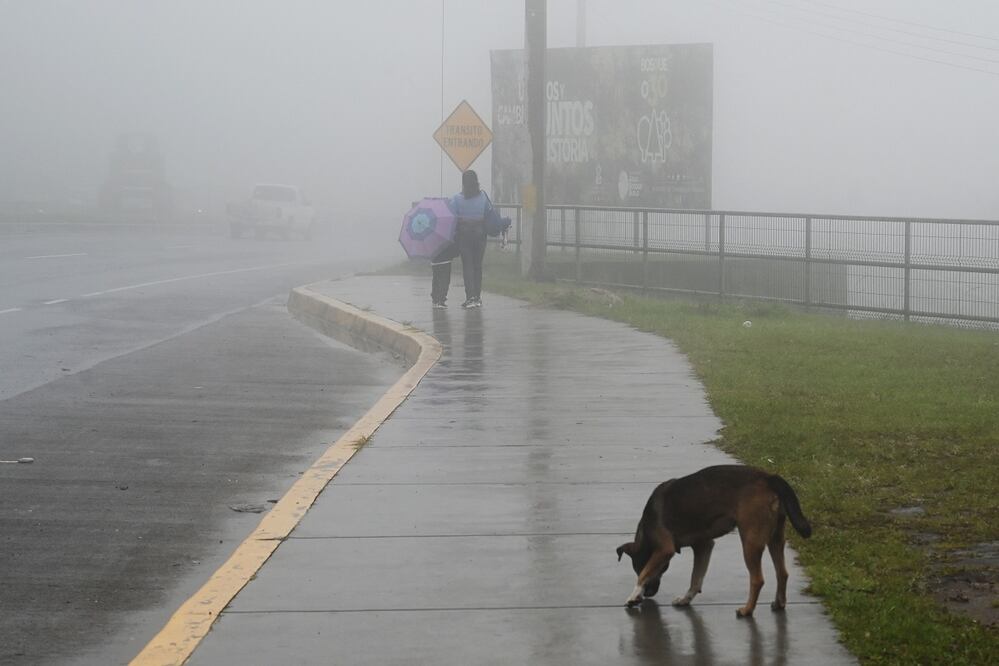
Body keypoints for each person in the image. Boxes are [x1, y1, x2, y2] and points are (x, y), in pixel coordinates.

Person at [449, 170, 493, 308]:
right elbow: (489, 213)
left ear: (463, 183)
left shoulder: (457, 199)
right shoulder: (483, 197)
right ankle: (478, 297)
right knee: (477, 266)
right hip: (480, 234)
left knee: (467, 266)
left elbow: (452, 217)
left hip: (464, 235)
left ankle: (470, 297)